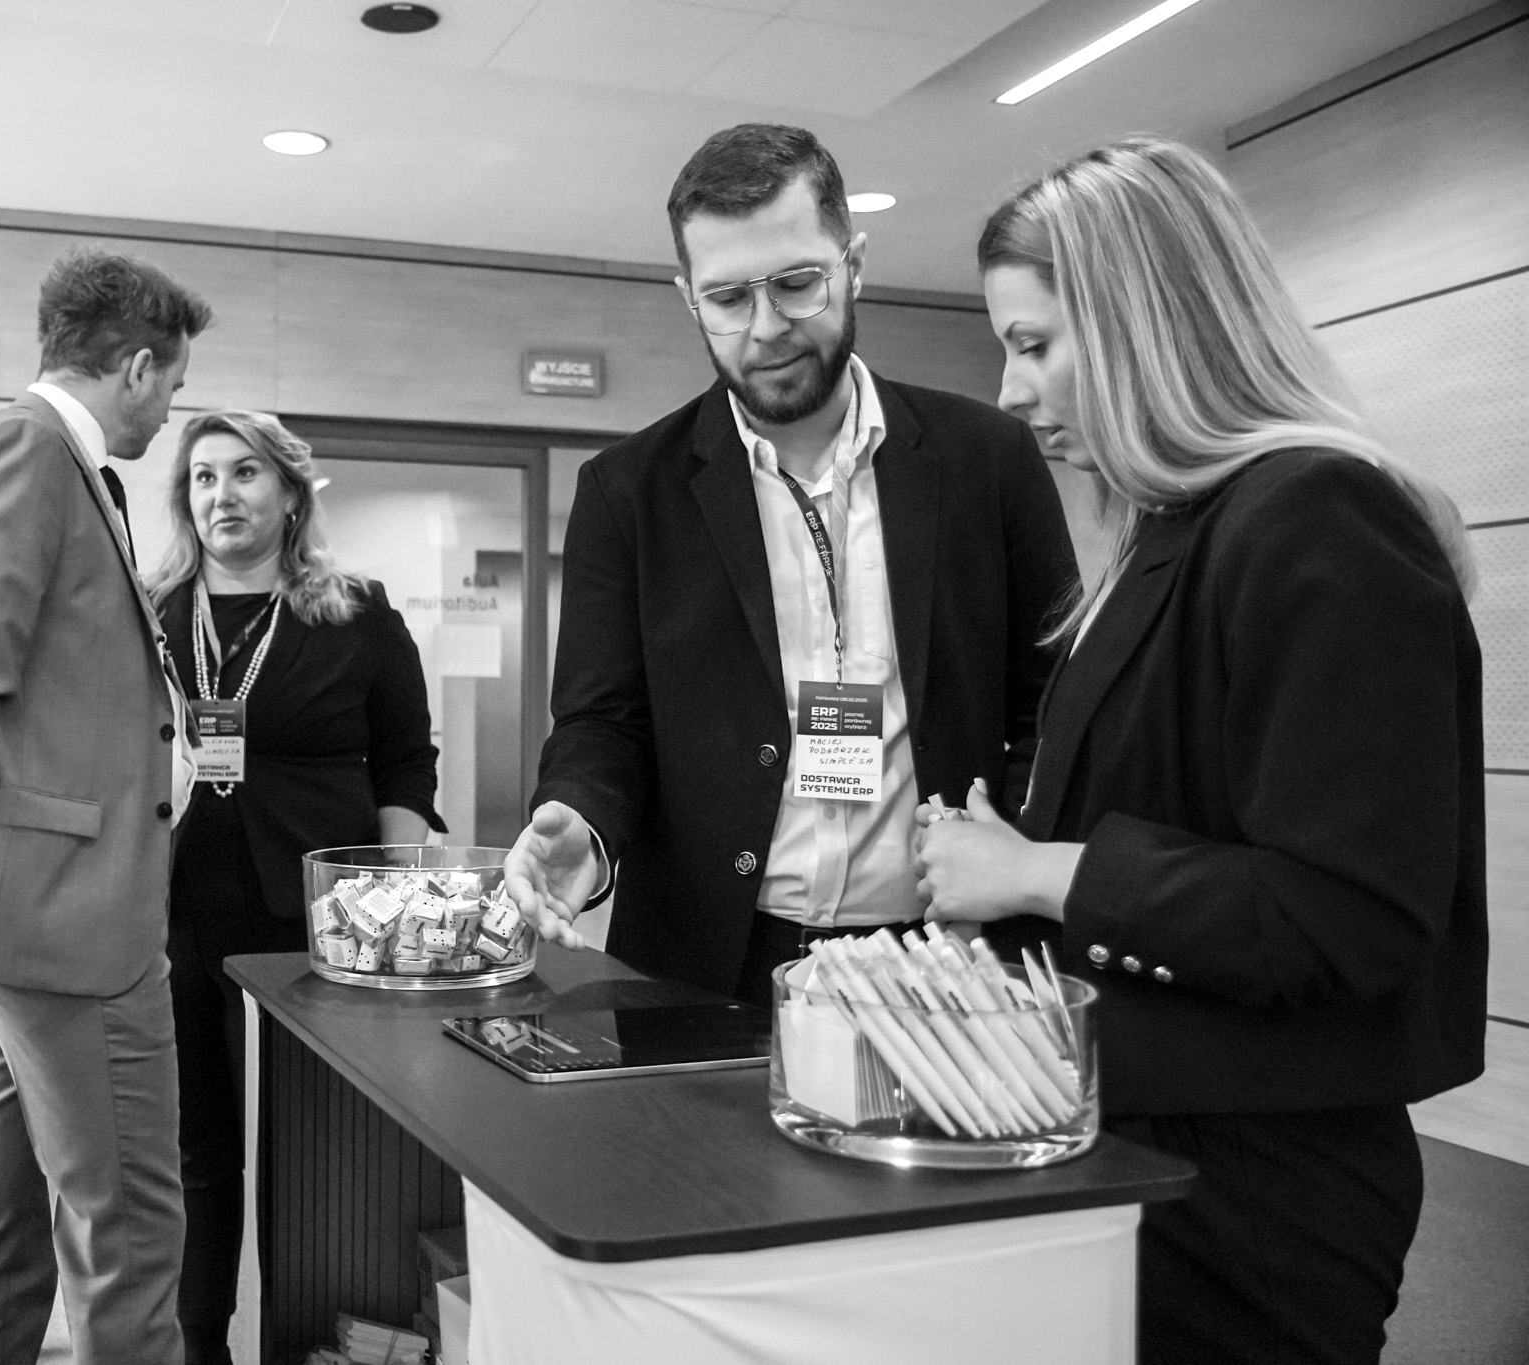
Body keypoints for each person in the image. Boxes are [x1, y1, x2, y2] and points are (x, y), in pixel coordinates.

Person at [918, 136, 1486, 1364]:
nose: (1009, 392)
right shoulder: (1169, 536)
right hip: (1140, 1152)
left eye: (1032, 344)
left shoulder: (1317, 516)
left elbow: (1344, 917)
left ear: (1142, 325)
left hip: (1251, 1202)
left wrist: (1035, 873)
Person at [503, 123, 1078, 1007]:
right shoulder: (629, 491)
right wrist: (585, 818)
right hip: (706, 960)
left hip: (941, 959)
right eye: (728, 298)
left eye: (797, 284)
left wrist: (1010, 864)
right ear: (688, 298)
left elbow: (1053, 704)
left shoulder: (987, 458)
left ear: (854, 265)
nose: (766, 328)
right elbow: (602, 720)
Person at [0, 249, 211, 1365]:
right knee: (130, 1233)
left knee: (8, 1212)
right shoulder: (22, 451)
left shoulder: (65, 467)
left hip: (43, 910)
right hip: (75, 922)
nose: (167, 413)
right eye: (170, 386)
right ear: (134, 367)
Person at [148, 409, 442, 1364]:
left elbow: (406, 760)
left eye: (244, 473)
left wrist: (395, 898)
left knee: (298, 1150)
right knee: (194, 1147)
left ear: (289, 494)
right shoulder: (148, 612)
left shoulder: (355, 613)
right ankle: (200, 1343)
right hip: (170, 911)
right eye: (202, 478)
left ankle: (296, 1338)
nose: (221, 495)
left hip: (312, 925)